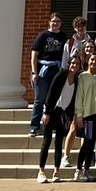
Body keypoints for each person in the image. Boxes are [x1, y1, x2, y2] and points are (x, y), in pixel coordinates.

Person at [36, 51, 79, 182]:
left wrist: (71, 116)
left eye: (77, 64)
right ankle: (41, 171)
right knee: (47, 140)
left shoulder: (77, 80)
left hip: (64, 114)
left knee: (59, 141)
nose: (74, 65)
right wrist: (47, 112)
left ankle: (56, 171)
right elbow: (51, 92)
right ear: (68, 64)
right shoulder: (61, 75)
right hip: (53, 111)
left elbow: (73, 100)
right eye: (72, 63)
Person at [29, 13, 65, 135]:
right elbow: (34, 55)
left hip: (57, 70)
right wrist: (34, 72)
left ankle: (52, 126)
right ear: (49, 22)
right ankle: (34, 127)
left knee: (54, 100)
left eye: (58, 21)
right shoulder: (43, 36)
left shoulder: (63, 36)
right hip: (43, 70)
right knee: (40, 99)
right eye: (54, 21)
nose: (55, 23)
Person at [73, 50, 96, 182]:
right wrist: (79, 115)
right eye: (92, 60)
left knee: (92, 143)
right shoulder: (83, 77)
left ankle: (86, 169)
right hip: (87, 113)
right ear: (88, 61)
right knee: (86, 143)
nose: (94, 62)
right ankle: (78, 170)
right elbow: (79, 96)